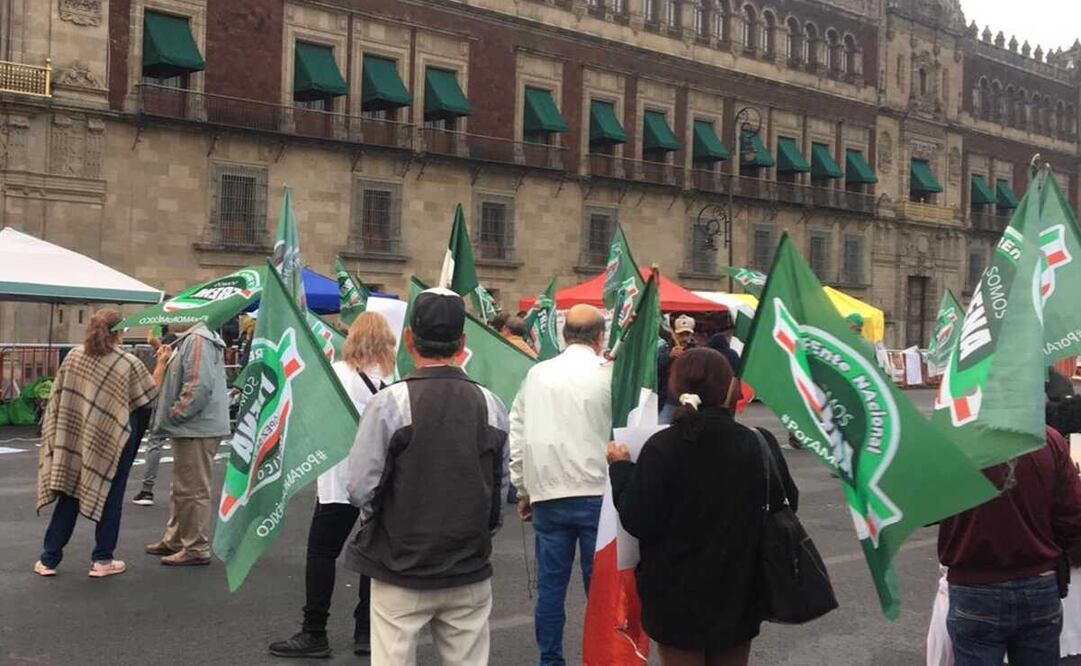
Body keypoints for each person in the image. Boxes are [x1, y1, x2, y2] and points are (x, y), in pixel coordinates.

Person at [345, 288, 510, 665]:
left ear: (409, 339)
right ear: (462, 342)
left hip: (400, 563)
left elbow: (360, 487)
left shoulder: (391, 402)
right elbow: (499, 489)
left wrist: (384, 521)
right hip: (467, 563)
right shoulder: (490, 403)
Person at [608, 348, 796, 666]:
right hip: (740, 587)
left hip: (675, 592)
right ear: (728, 389)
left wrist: (621, 469)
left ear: (676, 388)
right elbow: (787, 503)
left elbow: (637, 519)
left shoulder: (662, 447)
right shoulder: (758, 442)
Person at [270, 312, 397, 658]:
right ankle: (366, 631)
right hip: (381, 480)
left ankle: (315, 631)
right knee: (373, 556)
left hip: (340, 479)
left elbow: (310, 415)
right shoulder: (392, 379)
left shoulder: (337, 376)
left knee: (322, 552)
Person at [510, 304, 612, 666]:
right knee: (600, 592)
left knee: (550, 590)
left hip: (548, 494)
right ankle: (600, 658)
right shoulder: (608, 374)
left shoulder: (537, 374)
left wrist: (522, 488)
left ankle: (550, 660)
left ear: (565, 335)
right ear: (601, 337)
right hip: (597, 493)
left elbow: (518, 433)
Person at [939, 424, 1081, 665]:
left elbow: (924, 506)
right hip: (1039, 579)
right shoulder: (1047, 438)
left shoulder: (949, 439)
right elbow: (1072, 514)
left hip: (974, 584)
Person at [34, 309, 160, 578]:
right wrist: (162, 362)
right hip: (114, 439)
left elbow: (58, 401)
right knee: (111, 496)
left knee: (69, 493)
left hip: (75, 436)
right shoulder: (127, 362)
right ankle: (102, 560)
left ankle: (49, 559)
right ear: (120, 332)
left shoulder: (74, 357)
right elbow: (148, 396)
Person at [144, 320, 230, 566]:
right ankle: (178, 539)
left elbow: (197, 386)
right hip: (196, 426)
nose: (167, 319)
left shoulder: (197, 340)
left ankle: (195, 546)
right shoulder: (195, 339)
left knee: (192, 488)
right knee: (184, 487)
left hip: (196, 427)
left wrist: (176, 413)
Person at [132, 327, 178, 506]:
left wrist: (154, 343)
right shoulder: (186, 348)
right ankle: (181, 491)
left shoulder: (168, 354)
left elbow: (154, 385)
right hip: (179, 404)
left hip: (163, 403)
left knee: (155, 443)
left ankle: (147, 490)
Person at [658, 315, 697, 424]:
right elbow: (655, 368)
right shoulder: (665, 349)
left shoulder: (697, 352)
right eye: (681, 334)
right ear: (674, 334)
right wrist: (668, 356)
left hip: (689, 401)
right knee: (661, 428)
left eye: (687, 334)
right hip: (668, 401)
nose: (684, 338)